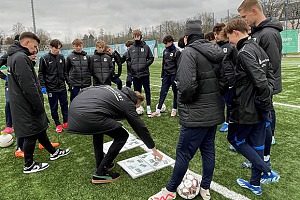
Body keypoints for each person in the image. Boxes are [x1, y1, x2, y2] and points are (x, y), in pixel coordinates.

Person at [149, 20, 225, 200]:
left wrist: (185, 102)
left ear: (186, 37)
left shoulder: (189, 53)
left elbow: (186, 86)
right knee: (208, 150)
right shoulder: (216, 51)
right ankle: (205, 188)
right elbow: (225, 80)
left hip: (196, 114)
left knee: (183, 153)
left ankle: (169, 191)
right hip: (213, 112)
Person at [224, 18, 279, 195]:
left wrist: (263, 101)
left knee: (235, 139)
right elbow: (271, 74)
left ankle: (267, 171)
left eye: (229, 37)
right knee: (257, 146)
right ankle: (255, 184)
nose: (229, 42)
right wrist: (265, 101)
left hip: (248, 108)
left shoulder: (245, 51)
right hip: (260, 106)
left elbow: (261, 81)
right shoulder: (257, 46)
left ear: (235, 33)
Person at [68, 85, 163, 184]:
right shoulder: (128, 103)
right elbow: (140, 127)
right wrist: (153, 149)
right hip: (88, 114)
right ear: (135, 101)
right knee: (122, 136)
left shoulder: (113, 89)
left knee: (98, 130)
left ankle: (101, 164)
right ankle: (100, 173)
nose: (136, 108)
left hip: (75, 110)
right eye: (137, 106)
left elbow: (85, 90)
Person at [7, 32, 70, 173]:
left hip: (22, 102)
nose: (36, 50)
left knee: (40, 130)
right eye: (34, 46)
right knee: (31, 133)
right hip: (26, 104)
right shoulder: (21, 58)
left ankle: (53, 152)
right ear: (27, 42)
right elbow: (29, 87)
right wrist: (38, 106)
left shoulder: (13, 56)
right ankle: (28, 165)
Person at [238, 0, 283, 168]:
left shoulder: (269, 34)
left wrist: (263, 88)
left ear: (254, 11)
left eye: (244, 16)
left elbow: (272, 64)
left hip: (264, 88)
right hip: (258, 88)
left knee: (265, 122)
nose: (244, 20)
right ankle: (259, 157)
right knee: (261, 123)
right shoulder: (258, 33)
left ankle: (264, 161)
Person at [38, 39, 69, 133]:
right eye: (56, 48)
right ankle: (58, 124)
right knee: (54, 107)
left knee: (64, 105)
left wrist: (68, 83)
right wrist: (43, 86)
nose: (58, 50)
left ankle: (66, 121)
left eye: (59, 48)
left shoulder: (61, 57)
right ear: (51, 47)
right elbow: (40, 73)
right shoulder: (44, 58)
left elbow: (65, 72)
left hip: (62, 87)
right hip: (51, 88)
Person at [213, 23, 238, 133]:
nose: (215, 36)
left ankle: (228, 122)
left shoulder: (231, 47)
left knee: (229, 102)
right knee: (218, 101)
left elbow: (236, 63)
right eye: (214, 34)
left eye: (216, 34)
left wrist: (232, 78)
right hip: (217, 80)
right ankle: (219, 119)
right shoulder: (214, 47)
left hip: (229, 80)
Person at [150, 35, 180, 117]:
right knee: (163, 92)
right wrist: (162, 75)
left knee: (175, 93)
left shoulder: (177, 52)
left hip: (174, 75)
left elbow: (179, 66)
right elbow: (163, 64)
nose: (165, 45)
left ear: (171, 42)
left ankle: (174, 109)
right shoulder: (165, 51)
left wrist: (177, 78)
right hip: (166, 75)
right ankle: (158, 110)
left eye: (166, 43)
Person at [127, 29, 154, 115]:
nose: (136, 38)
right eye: (135, 36)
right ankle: (138, 106)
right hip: (135, 74)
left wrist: (145, 65)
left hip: (144, 73)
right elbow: (128, 59)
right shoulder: (131, 48)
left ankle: (148, 106)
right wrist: (132, 66)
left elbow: (151, 58)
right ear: (133, 37)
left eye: (138, 36)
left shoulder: (146, 47)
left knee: (147, 90)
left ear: (140, 36)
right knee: (137, 92)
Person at [0, 35, 19, 134]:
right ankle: (9, 125)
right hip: (10, 84)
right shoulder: (8, 54)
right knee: (8, 102)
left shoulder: (24, 54)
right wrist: (5, 77)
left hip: (21, 84)